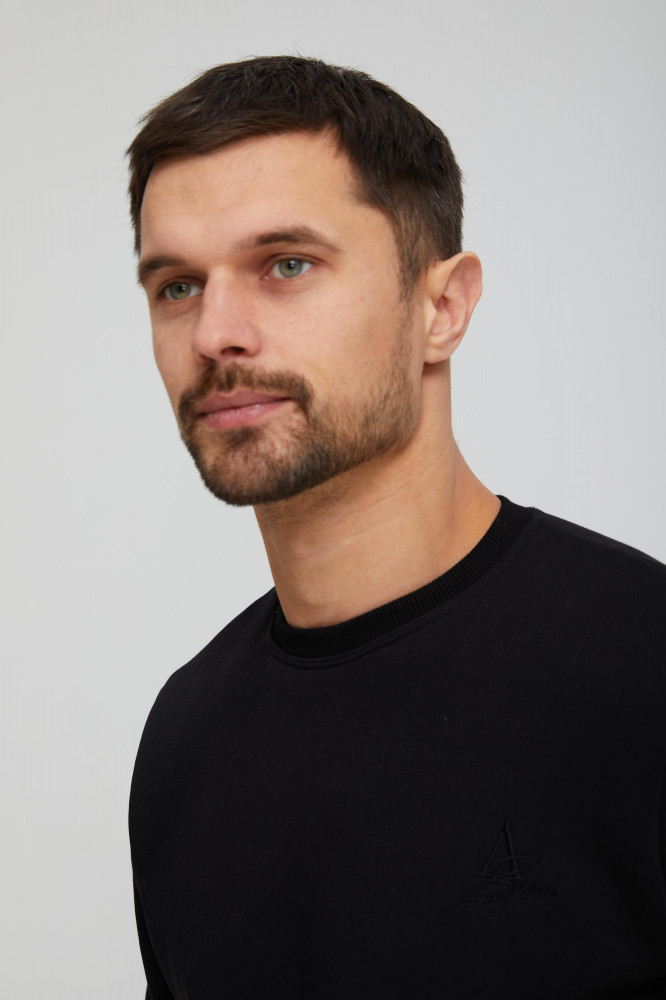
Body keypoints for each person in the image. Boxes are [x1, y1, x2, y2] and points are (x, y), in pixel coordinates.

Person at [127, 56, 666, 998]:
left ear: (442, 308)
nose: (215, 333)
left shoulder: (644, 664)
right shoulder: (185, 742)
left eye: (286, 265)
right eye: (176, 285)